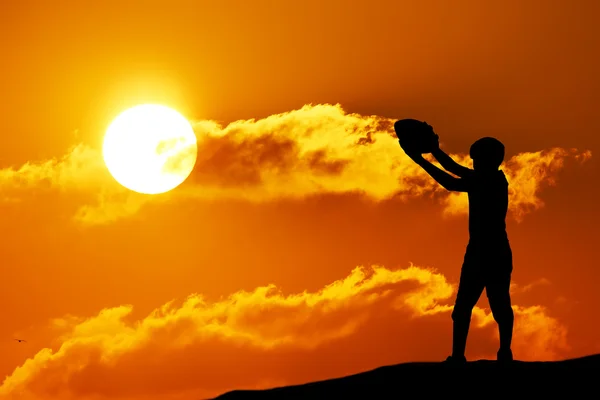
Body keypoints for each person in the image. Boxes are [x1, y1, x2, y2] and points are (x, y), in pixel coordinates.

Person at [401, 123, 514, 363]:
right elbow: (456, 169)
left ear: (489, 160)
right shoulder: (485, 177)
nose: (473, 163)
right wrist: (434, 150)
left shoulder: (492, 181)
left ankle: (503, 352)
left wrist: (420, 160)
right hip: (480, 251)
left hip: (492, 251)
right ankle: (459, 356)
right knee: (463, 309)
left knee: (498, 306)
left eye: (477, 159)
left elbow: (451, 182)